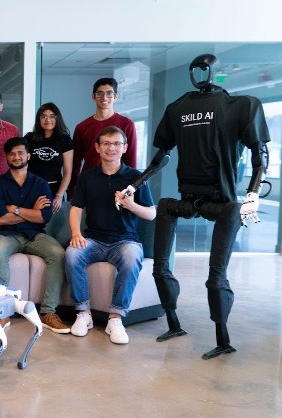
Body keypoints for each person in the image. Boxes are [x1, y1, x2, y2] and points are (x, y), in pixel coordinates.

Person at [148, 54, 270, 359]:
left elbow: (260, 155)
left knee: (215, 277)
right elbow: (161, 155)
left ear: (215, 70)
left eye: (204, 69)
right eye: (195, 69)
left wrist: (253, 194)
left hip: (223, 201)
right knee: (159, 266)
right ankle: (174, 322)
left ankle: (222, 338)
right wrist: (135, 184)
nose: (199, 74)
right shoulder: (177, 109)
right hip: (188, 197)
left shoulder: (240, 105)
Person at [66, 126, 156, 345]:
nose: (111, 148)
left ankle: (115, 318)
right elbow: (76, 209)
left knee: (131, 257)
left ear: (124, 148)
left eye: (116, 143)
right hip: (94, 240)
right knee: (71, 254)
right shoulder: (87, 177)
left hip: (125, 240)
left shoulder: (136, 178)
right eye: (106, 143)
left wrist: (131, 205)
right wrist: (76, 233)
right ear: (97, 148)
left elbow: (151, 214)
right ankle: (83, 314)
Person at [0, 137, 69, 334]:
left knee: (58, 254)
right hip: (6, 235)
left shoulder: (41, 184)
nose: (17, 157)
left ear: (28, 156)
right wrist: (32, 211)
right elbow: (1, 220)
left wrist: (15, 209)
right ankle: (1, 312)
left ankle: (48, 312)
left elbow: (44, 217)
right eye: (12, 154)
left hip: (35, 235)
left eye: (21, 153)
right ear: (6, 157)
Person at [69, 78, 137, 198]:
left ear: (115, 97)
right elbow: (75, 163)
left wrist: (131, 189)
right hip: (89, 184)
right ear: (93, 97)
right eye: (100, 93)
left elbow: (131, 160)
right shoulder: (82, 127)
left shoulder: (127, 124)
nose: (104, 97)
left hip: (119, 186)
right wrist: (72, 191)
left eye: (109, 93)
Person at [25, 103, 74, 213]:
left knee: (53, 220)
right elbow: (21, 164)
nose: (48, 120)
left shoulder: (65, 140)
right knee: (31, 218)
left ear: (57, 118)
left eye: (52, 116)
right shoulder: (29, 138)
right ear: (39, 119)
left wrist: (59, 195)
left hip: (54, 190)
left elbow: (67, 172)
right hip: (32, 188)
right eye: (44, 116)